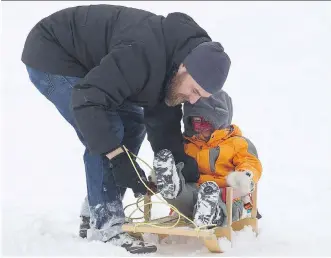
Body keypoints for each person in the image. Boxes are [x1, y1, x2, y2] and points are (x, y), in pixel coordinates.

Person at [21, 4, 231, 253]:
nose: (194, 101)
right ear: (183, 67)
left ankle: (95, 208)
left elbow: (163, 120)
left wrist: (183, 170)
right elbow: (88, 101)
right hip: (53, 52)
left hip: (99, 65)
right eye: (195, 91)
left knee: (132, 124)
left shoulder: (176, 64)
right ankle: (106, 226)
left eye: (201, 96)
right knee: (105, 129)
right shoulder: (141, 54)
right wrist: (118, 158)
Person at [153, 91, 262, 227]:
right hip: (194, 192)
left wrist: (245, 176)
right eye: (195, 123)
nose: (199, 129)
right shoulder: (186, 144)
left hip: (226, 194)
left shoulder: (236, 143)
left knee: (229, 206)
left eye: (205, 123)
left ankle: (214, 214)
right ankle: (170, 183)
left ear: (219, 121)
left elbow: (249, 161)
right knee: (182, 193)